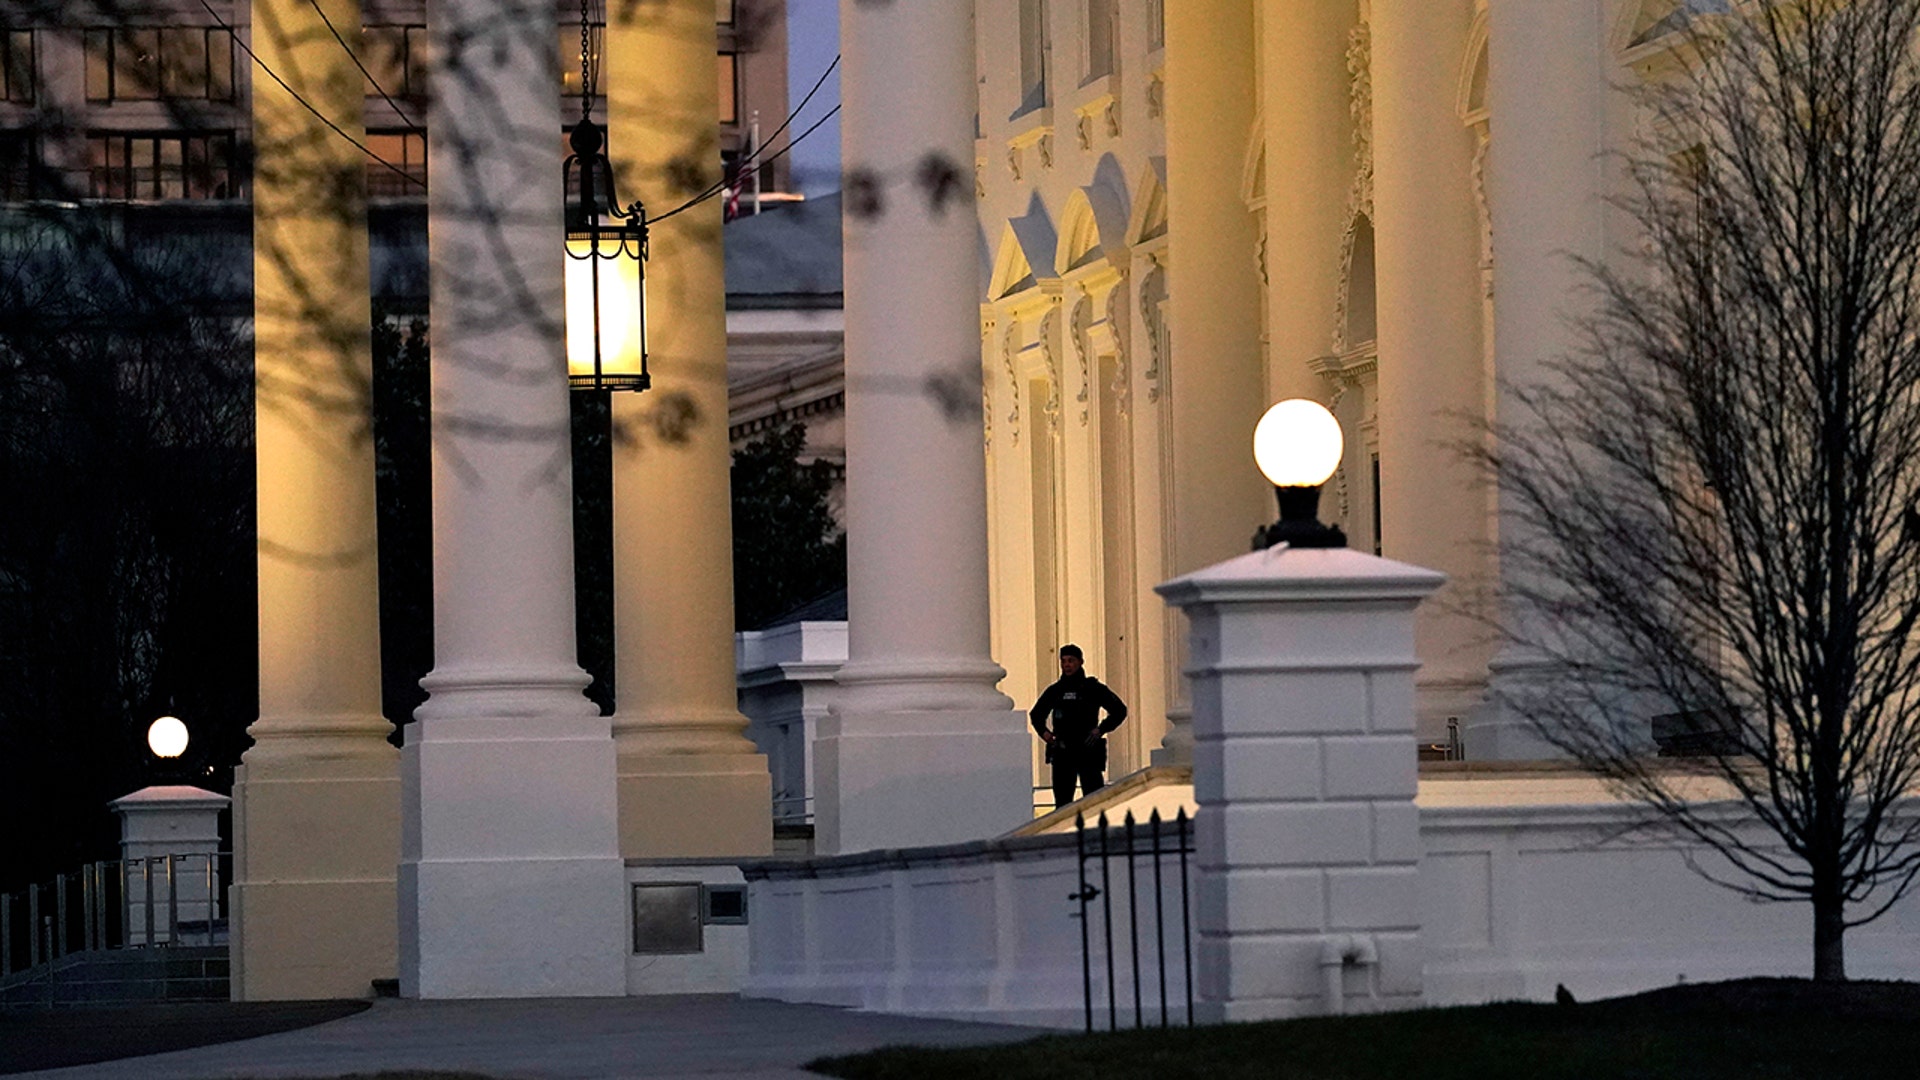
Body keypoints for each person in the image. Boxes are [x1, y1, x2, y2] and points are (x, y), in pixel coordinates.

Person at [1029, 644, 1128, 809]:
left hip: (1087, 748)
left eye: (1071, 661)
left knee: (1094, 801)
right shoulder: (1056, 690)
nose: (1067, 665)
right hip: (1063, 750)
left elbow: (1119, 710)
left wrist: (1101, 729)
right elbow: (1036, 714)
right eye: (1063, 661)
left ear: (1080, 662)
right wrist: (1046, 734)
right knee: (1062, 803)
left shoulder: (1093, 688)